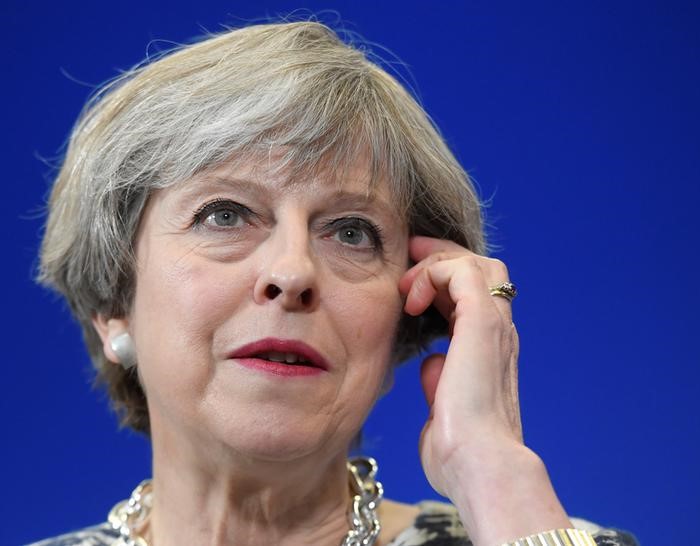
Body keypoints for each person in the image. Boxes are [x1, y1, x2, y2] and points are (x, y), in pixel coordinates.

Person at [31, 20, 637, 546]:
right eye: (225, 215)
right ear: (114, 306)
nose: (292, 273)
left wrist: (493, 470)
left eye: (351, 232)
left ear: (410, 309)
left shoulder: (529, 532)